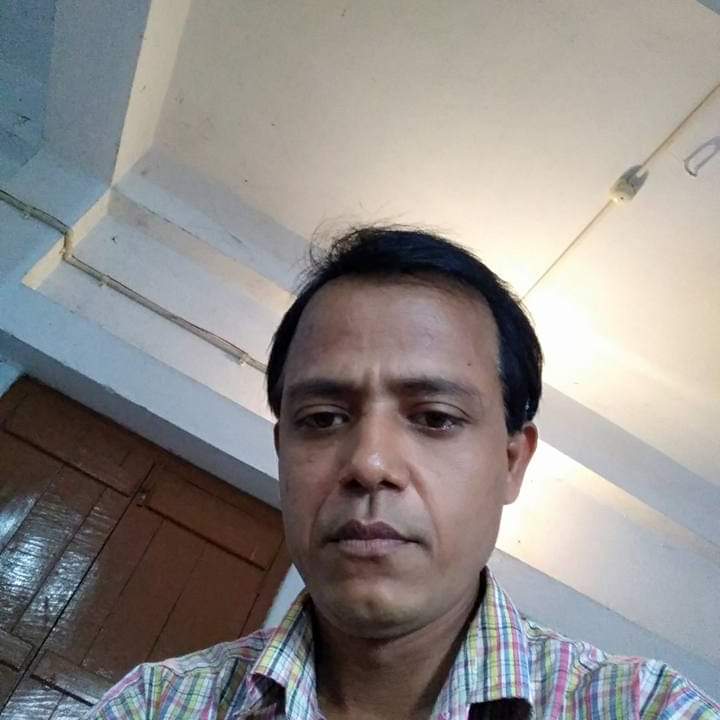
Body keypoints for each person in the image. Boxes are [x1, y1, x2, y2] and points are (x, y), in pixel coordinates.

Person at [88, 228, 719, 719]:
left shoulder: (645, 707)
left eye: (436, 418)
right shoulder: (154, 706)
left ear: (511, 462)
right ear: (282, 450)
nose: (369, 464)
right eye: (323, 419)